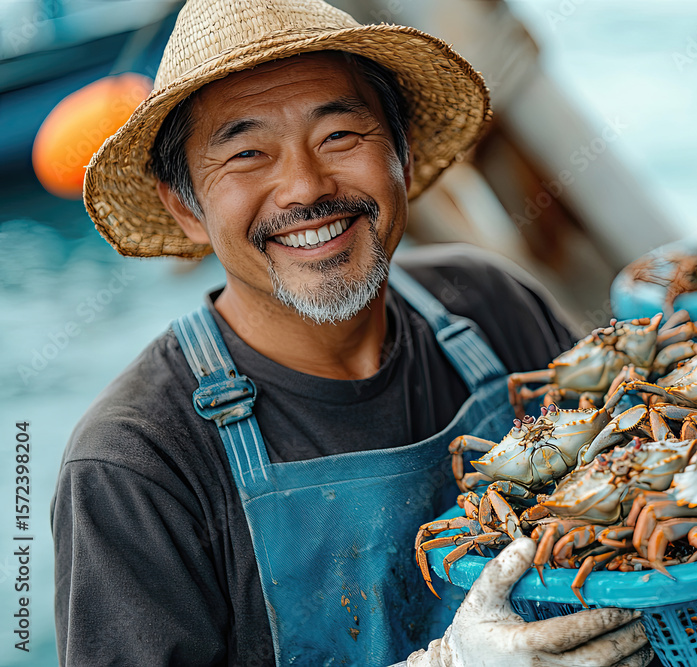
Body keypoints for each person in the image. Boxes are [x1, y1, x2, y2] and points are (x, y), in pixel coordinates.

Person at [51, 0, 654, 665]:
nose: (305, 187)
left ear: (405, 150)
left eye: (339, 135)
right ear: (184, 208)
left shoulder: (491, 303)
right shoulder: (134, 465)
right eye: (248, 154)